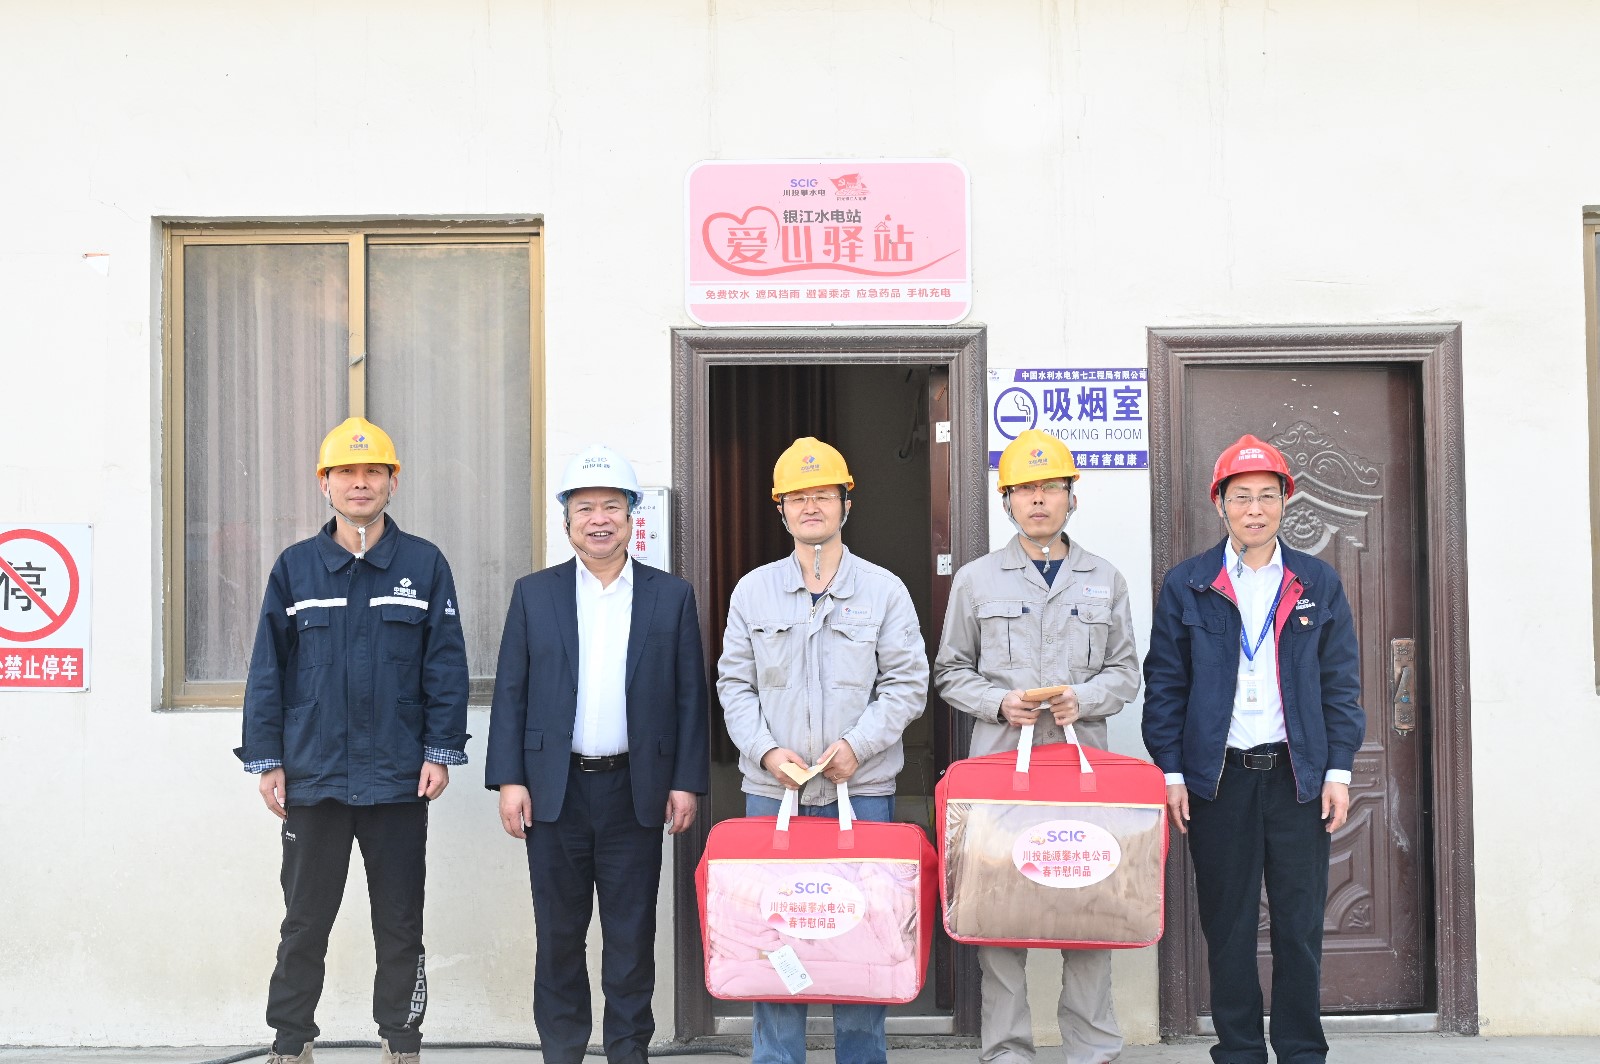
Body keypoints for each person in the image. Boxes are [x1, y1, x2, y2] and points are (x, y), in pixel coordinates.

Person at [236, 416, 471, 1064]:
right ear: (325, 484)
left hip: (398, 779)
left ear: (394, 481)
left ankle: (402, 1042)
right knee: (304, 921)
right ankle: (291, 1042)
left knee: (400, 922)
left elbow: (445, 663)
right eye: (346, 472)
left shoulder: (423, 564)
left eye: (373, 472)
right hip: (313, 778)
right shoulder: (296, 569)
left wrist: (440, 750)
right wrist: (268, 761)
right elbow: (268, 671)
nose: (359, 483)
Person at [1142, 433, 1364, 1064]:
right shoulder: (1189, 584)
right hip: (1220, 780)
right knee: (1229, 926)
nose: (1255, 509)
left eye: (1268, 495)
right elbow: (1166, 684)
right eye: (1241, 497)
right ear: (1220, 504)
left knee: (1299, 926)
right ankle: (1239, 1051)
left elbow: (1340, 682)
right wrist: (1173, 773)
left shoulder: (1316, 581)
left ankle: (1301, 1051)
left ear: (1286, 501)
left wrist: (1338, 770)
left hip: (1298, 777)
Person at [485, 444, 710, 1064]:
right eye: (585, 508)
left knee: (631, 935)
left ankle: (627, 1051)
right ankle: (562, 1051)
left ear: (633, 517)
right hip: (553, 791)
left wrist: (685, 781)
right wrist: (510, 780)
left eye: (611, 506)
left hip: (635, 790)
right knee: (558, 935)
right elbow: (511, 691)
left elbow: (690, 696)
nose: (598, 519)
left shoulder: (670, 596)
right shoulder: (535, 594)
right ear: (567, 521)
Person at [932, 429, 1141, 1064]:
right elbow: (950, 671)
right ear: (1007, 502)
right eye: (1025, 489)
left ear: (1072, 497)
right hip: (1000, 772)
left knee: (1089, 909)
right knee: (1000, 915)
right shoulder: (975, 580)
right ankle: (1007, 1051)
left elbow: (1125, 672)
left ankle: (1091, 1049)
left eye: (1051, 487)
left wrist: (1087, 698)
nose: (1039, 499)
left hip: (1080, 774)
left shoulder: (1104, 579)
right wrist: (998, 702)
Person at [718, 436, 929, 1064]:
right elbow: (734, 685)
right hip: (772, 795)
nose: (811, 506)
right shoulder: (753, 592)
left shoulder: (884, 591)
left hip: (860, 795)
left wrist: (857, 746)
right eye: (798, 497)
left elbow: (907, 683)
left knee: (861, 943)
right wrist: (766, 752)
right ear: (780, 509)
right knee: (774, 937)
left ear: (846, 504)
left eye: (823, 495)